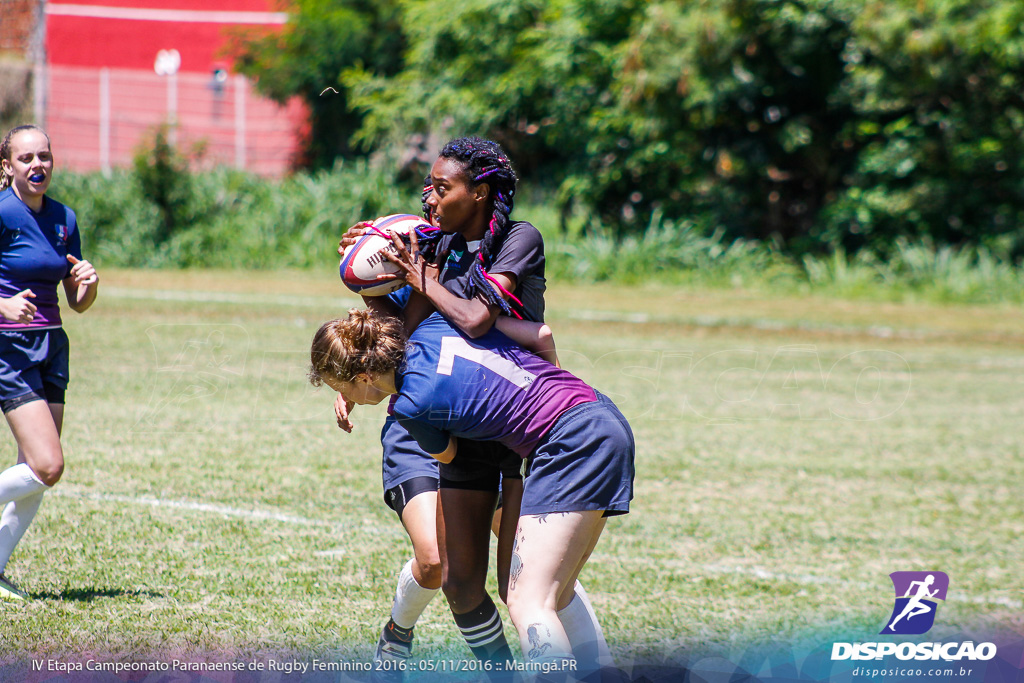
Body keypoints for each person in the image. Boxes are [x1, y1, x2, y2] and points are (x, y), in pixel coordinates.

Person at [309, 309, 634, 682]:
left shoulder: (411, 407)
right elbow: (540, 334)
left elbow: (451, 457)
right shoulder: (437, 324)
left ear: (365, 377)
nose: (343, 396)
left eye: (341, 387)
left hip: (568, 444)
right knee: (554, 596)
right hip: (601, 415)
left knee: (528, 601)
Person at [337, 137, 547, 677]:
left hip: (499, 423)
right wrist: (369, 269)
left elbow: (476, 319)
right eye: (426, 188)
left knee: (529, 580)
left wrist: (415, 272)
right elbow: (397, 331)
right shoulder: (430, 247)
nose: (427, 197)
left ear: (478, 193)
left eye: (439, 187)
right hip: (424, 422)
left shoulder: (511, 241)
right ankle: (401, 632)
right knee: (438, 566)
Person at [0, 125, 99, 600]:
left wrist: (89, 282)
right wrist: (1, 306)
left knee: (34, 475)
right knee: (47, 465)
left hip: (52, 345)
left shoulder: (64, 217)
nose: (37, 165)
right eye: (26, 158)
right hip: (9, 347)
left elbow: (76, 302)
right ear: (8, 166)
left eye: (44, 156)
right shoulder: (0, 212)